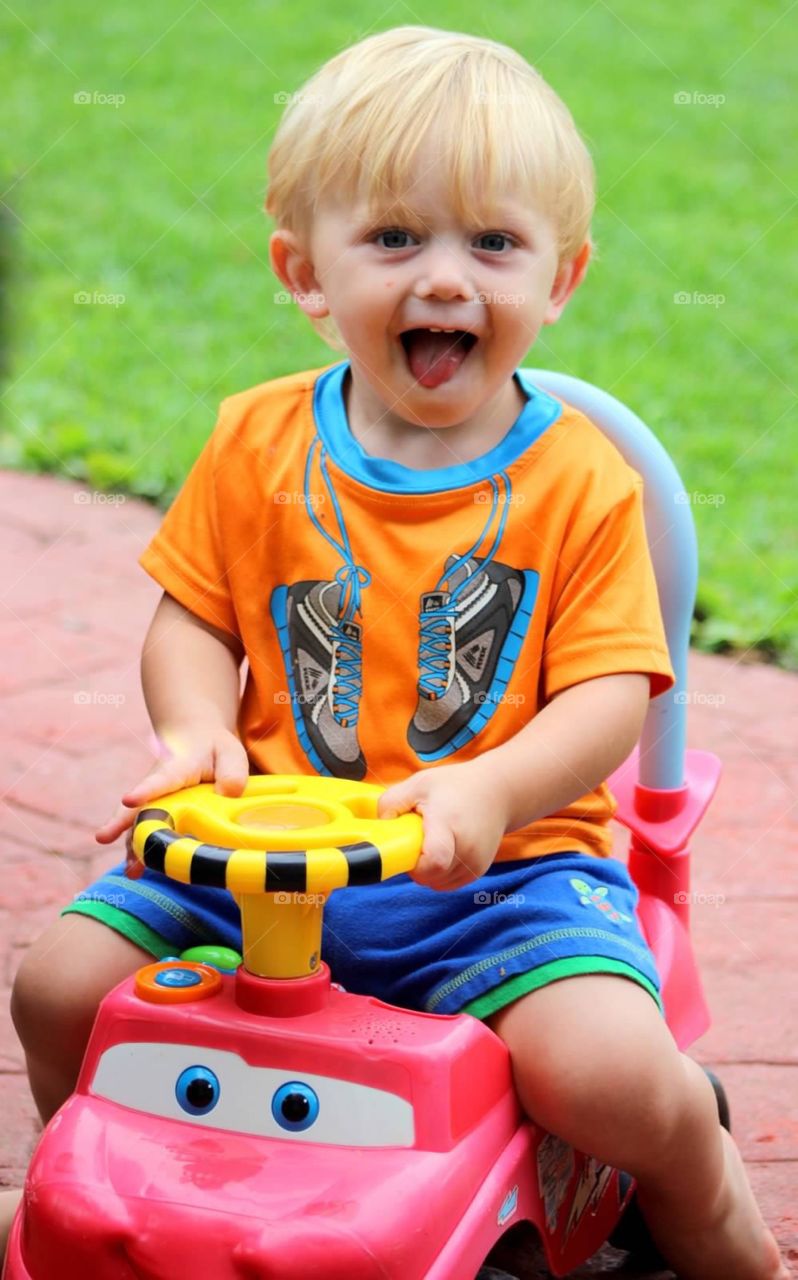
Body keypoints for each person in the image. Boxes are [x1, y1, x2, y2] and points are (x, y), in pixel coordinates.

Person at [6, 26, 786, 1279]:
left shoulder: (579, 480)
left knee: (613, 1078)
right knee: (56, 984)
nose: (444, 278)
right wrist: (199, 728)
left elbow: (607, 691)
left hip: (501, 879)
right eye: (393, 238)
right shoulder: (257, 440)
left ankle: (716, 1217)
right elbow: (194, 615)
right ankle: (105, 1192)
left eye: (493, 243)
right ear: (305, 273)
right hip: (262, 856)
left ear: (562, 275)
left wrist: (491, 790)